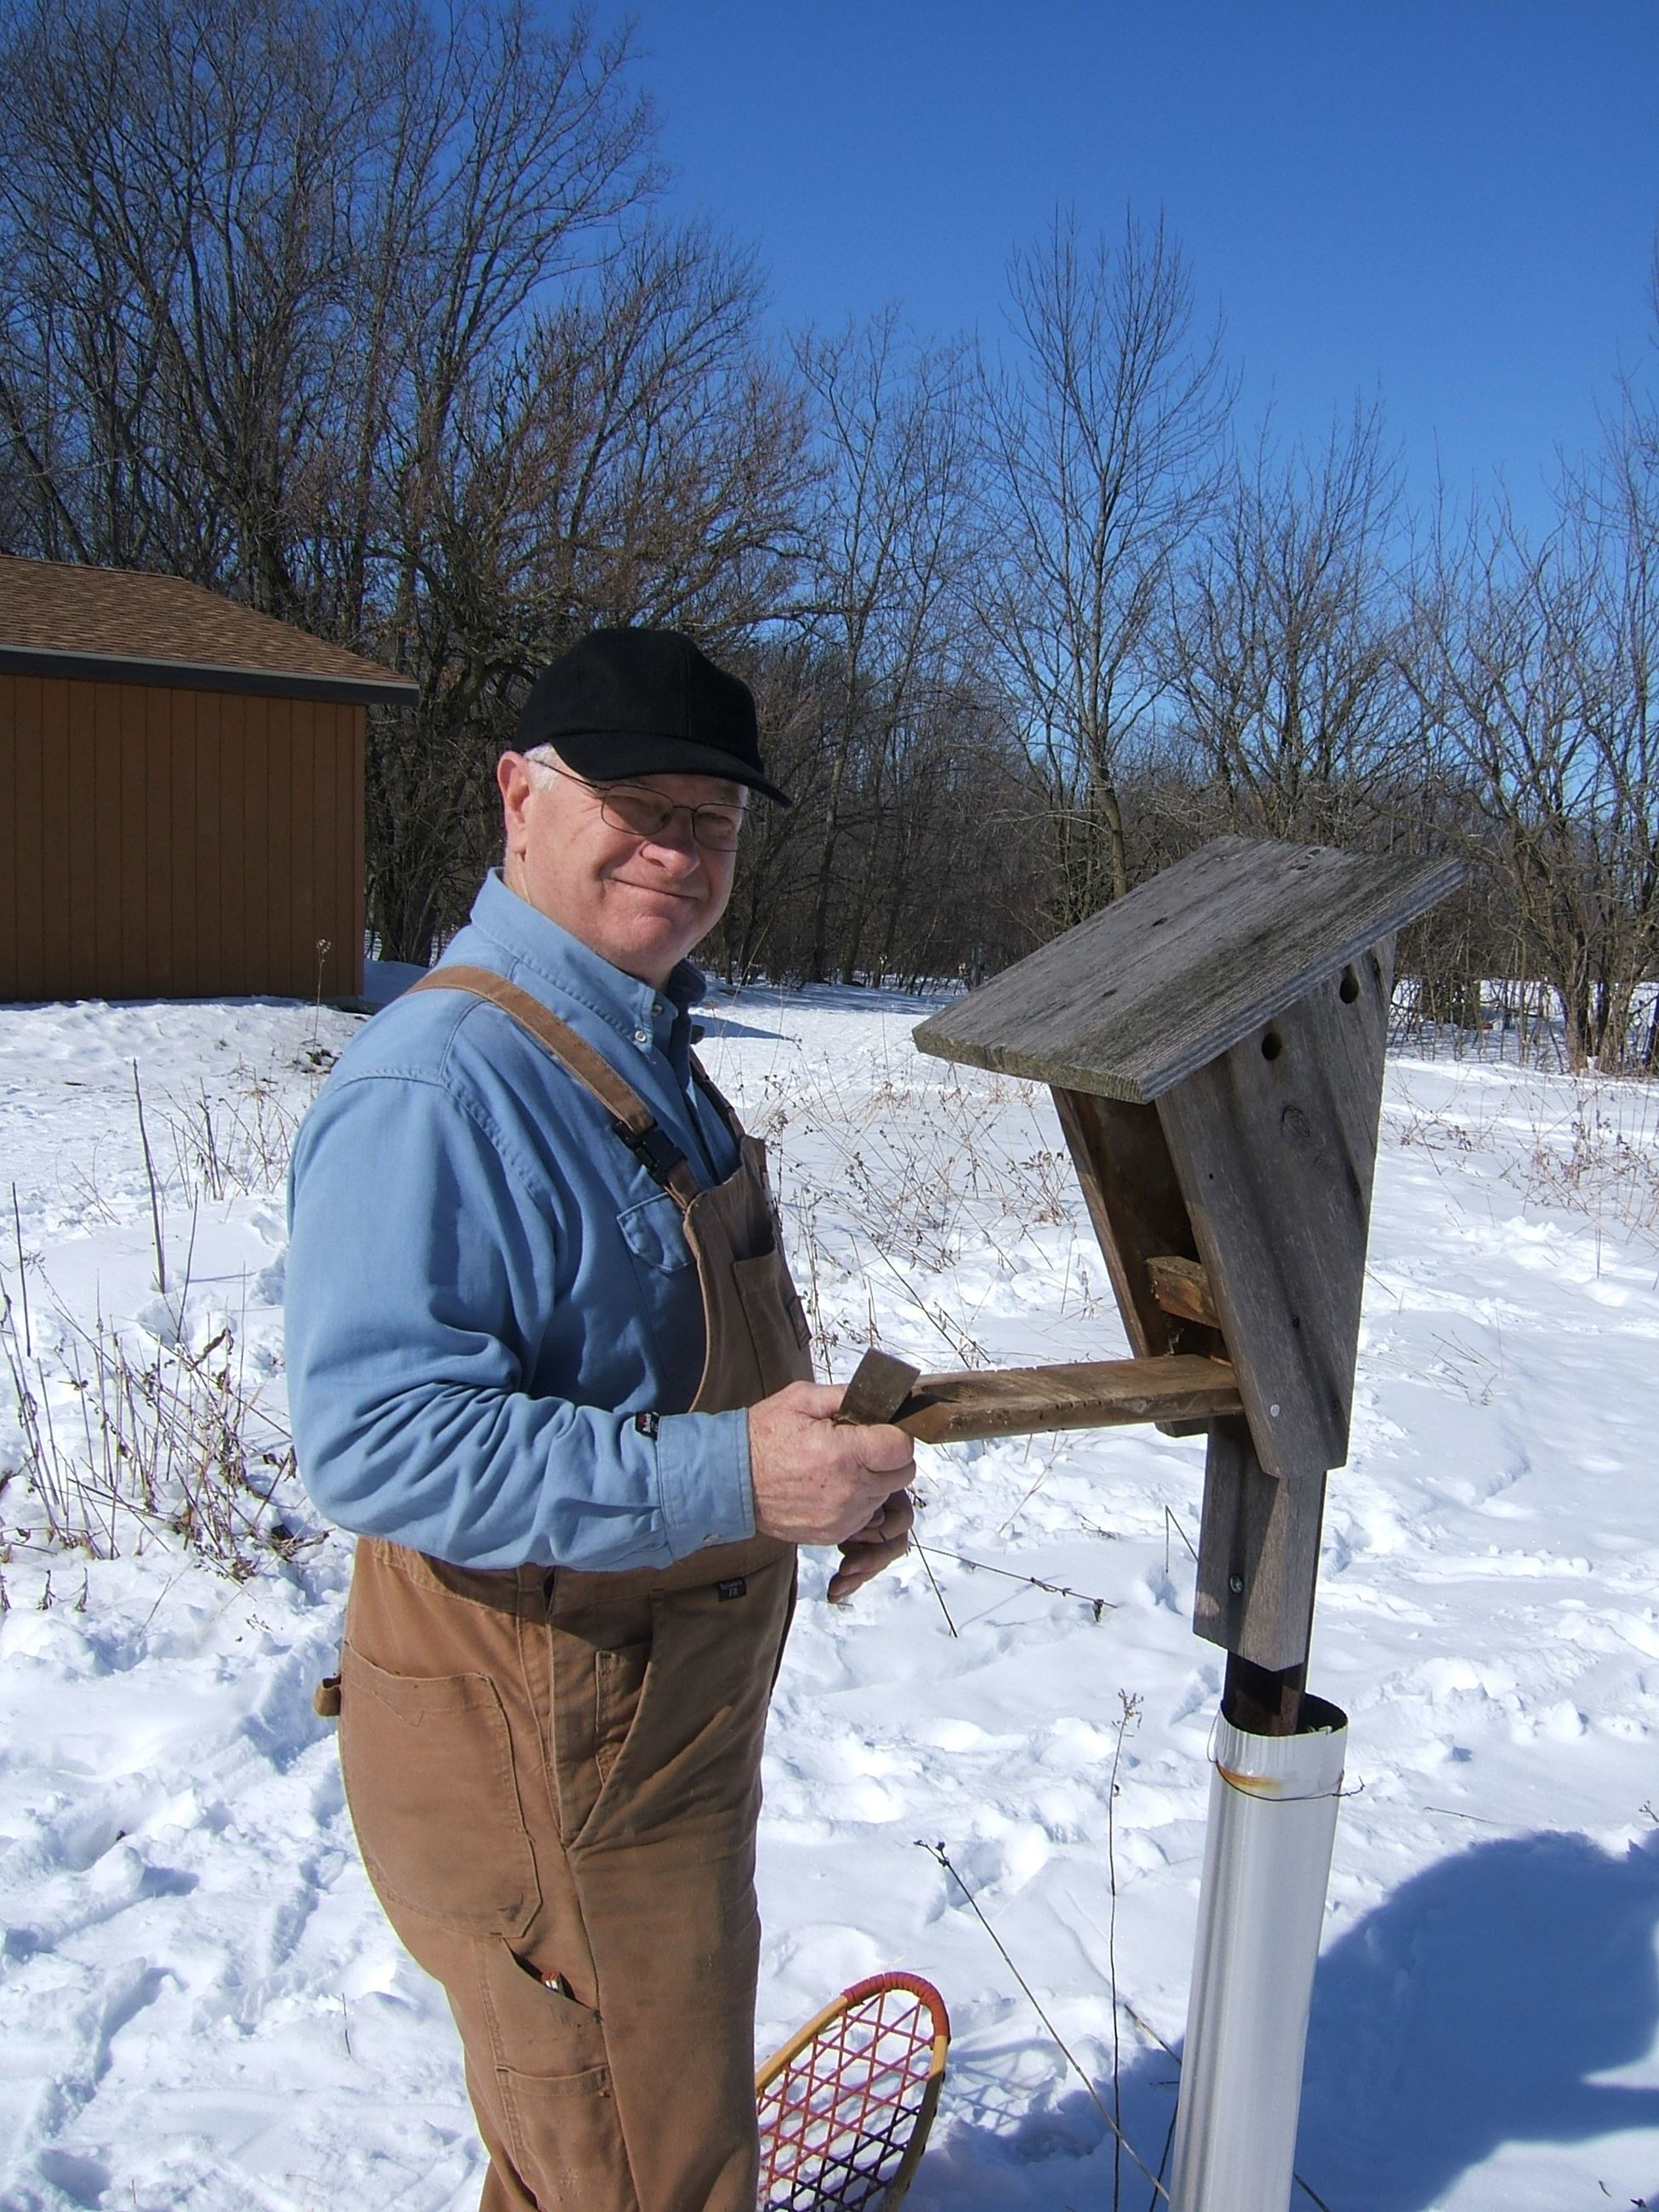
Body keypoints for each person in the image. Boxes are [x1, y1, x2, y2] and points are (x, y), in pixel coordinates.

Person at [284, 628, 916, 2212]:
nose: (676, 848)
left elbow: (654, 1369)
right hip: (546, 1755)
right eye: (632, 800)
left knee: (626, 2149)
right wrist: (733, 1473)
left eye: (710, 819)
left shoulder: (647, 1046)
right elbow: (377, 1442)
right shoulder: (441, 1086)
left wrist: (818, 1479)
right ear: (517, 795)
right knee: (634, 2173)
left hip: (659, 1729)